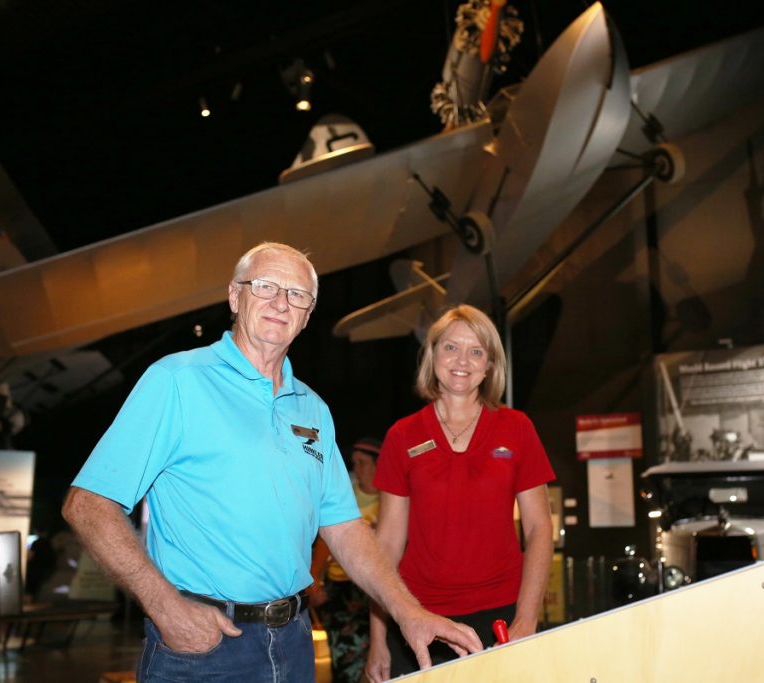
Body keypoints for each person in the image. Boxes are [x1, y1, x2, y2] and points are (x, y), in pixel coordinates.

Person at [62, 242, 481, 683]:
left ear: (307, 314)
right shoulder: (178, 381)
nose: (281, 303)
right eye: (265, 286)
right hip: (203, 646)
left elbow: (344, 527)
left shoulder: (313, 410)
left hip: (294, 643)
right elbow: (87, 505)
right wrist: (164, 605)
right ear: (234, 296)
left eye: (297, 295)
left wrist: (408, 612)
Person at [365, 304, 555, 682]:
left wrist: (526, 618)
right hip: (418, 621)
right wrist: (378, 638)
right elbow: (386, 546)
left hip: (500, 618)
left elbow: (539, 528)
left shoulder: (517, 428)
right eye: (451, 347)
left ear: (489, 365)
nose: (462, 361)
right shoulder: (403, 436)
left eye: (476, 351)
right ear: (432, 355)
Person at [309, 437, 382, 683]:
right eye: (354, 463)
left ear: (377, 465)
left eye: (363, 463)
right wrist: (315, 580)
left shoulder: (390, 498)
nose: (357, 469)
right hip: (341, 588)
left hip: (373, 587)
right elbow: (325, 539)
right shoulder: (347, 494)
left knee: (378, 658)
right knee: (345, 659)